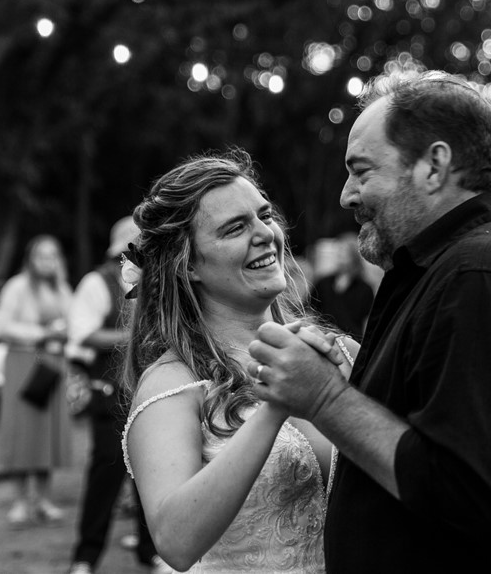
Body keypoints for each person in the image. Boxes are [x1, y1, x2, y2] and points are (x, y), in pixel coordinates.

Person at [247, 72, 491, 571]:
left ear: (434, 166)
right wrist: (353, 383)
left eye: (361, 170)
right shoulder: (433, 271)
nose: (346, 196)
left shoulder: (484, 274)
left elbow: (475, 497)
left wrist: (325, 398)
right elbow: (428, 431)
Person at [121, 149, 352, 573]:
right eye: (235, 228)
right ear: (189, 265)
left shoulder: (339, 352)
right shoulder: (173, 386)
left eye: (264, 216)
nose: (265, 233)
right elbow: (175, 540)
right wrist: (275, 407)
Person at [66, 217, 166, 574]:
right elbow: (82, 335)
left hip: (151, 387)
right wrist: (134, 336)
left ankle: (149, 549)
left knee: (152, 470)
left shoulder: (158, 281)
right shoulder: (95, 283)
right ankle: (86, 556)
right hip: (109, 390)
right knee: (106, 472)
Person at [0, 235, 74, 526]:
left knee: (45, 434)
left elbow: (75, 321)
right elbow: (3, 326)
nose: (47, 261)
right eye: (42, 255)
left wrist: (64, 331)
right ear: (30, 258)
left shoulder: (62, 288)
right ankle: (19, 500)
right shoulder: (16, 287)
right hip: (22, 362)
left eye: (53, 255)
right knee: (22, 430)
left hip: (53, 365)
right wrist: (42, 333)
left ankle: (43, 499)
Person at [311, 231, 374, 339]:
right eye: (338, 250)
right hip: (324, 340)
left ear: (354, 255)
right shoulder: (323, 283)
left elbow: (368, 323)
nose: (339, 254)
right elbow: (310, 310)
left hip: (352, 343)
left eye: (343, 250)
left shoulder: (365, 289)